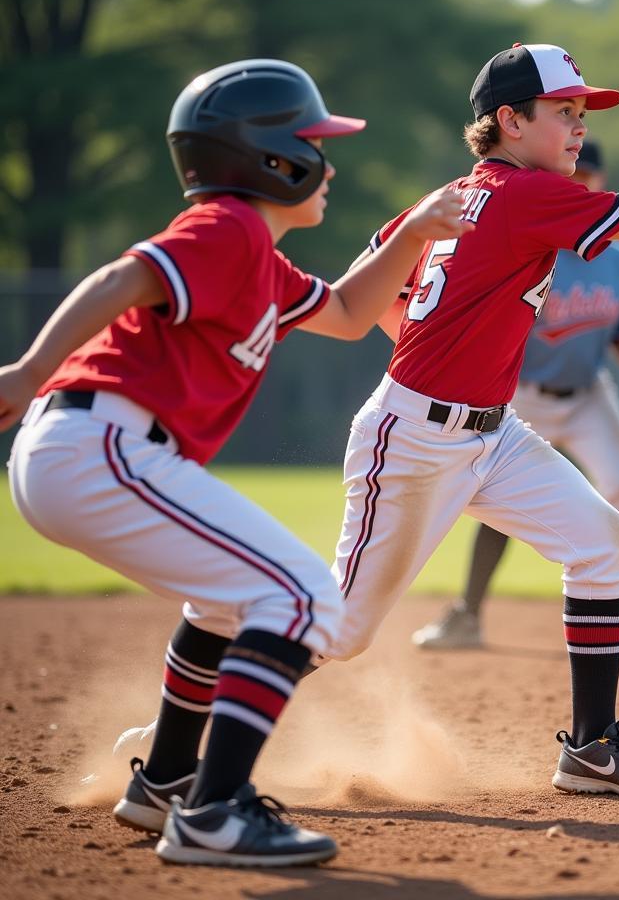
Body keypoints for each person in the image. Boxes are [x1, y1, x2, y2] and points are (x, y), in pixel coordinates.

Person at [0, 59, 470, 867]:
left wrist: (417, 230)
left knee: (230, 603)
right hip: (98, 444)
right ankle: (216, 812)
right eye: (315, 143)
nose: (328, 162)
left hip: (94, 452)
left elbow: (356, 312)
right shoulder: (228, 229)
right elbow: (127, 276)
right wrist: (28, 369)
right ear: (271, 159)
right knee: (300, 595)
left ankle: (169, 783)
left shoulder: (263, 262)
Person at [324, 42, 619, 798]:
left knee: (604, 543)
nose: (577, 128)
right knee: (341, 630)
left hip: (490, 432)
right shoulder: (526, 192)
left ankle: (593, 748)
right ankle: (179, 735)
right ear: (508, 120)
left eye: (581, 114)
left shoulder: (457, 193)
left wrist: (435, 341)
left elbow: (375, 281)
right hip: (411, 440)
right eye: (563, 112)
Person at [411, 139, 619, 654]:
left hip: (587, 396)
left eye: (588, 179)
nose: (580, 186)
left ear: (602, 185)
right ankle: (466, 614)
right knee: (500, 500)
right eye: (572, 179)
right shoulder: (531, 241)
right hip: (520, 396)